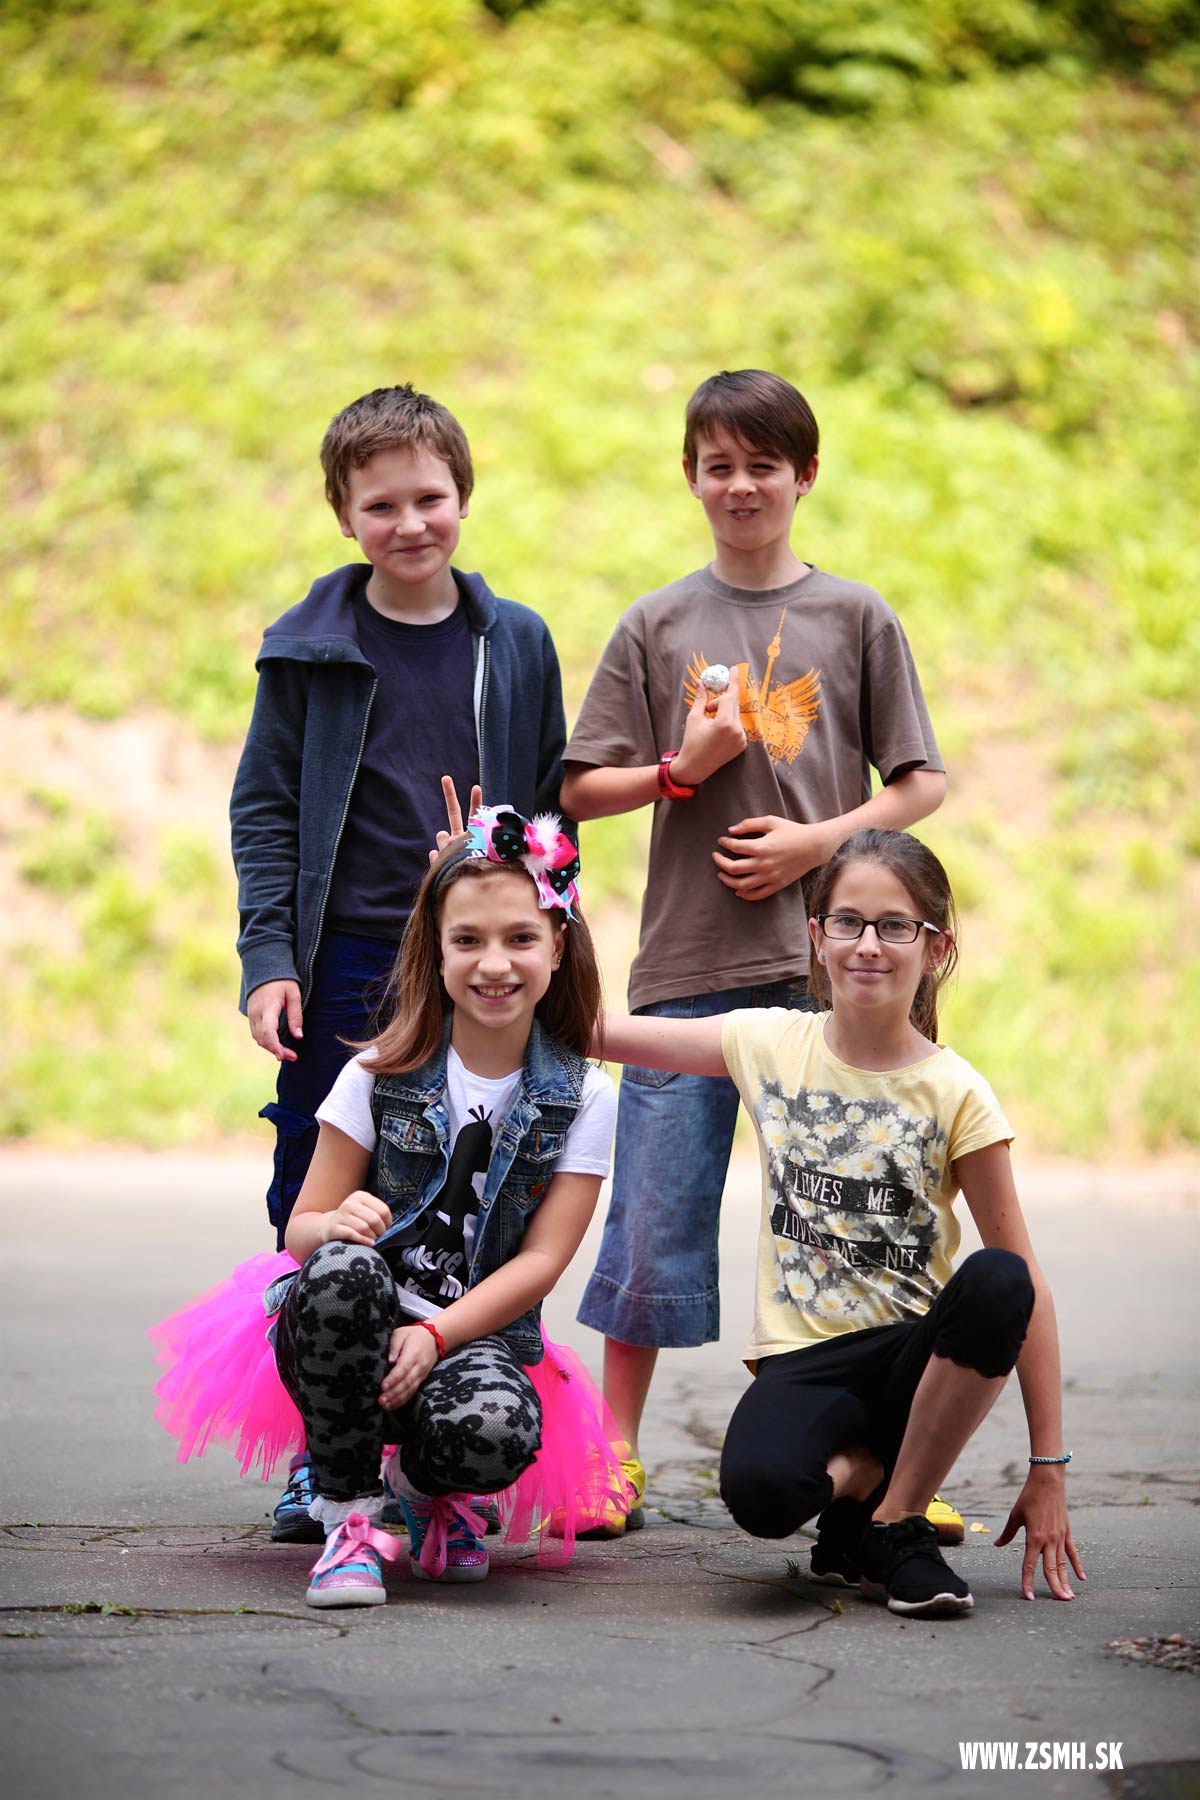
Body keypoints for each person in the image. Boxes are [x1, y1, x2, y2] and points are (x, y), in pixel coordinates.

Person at [560, 369, 948, 1536]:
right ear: (690, 477)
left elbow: (919, 782)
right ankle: (614, 1457)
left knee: (855, 1222)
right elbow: (578, 789)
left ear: (804, 476)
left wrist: (818, 848)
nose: (741, 486)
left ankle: (883, 1463)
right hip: (685, 965)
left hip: (836, 978)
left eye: (763, 465)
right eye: (719, 466)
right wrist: (680, 768)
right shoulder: (656, 623)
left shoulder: (856, 617)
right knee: (650, 1213)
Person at [229, 383, 570, 1542]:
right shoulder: (308, 650)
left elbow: (552, 811)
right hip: (347, 957)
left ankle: (441, 1435)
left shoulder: (514, 642)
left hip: (475, 957)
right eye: (381, 506)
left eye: (430, 498)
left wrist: (493, 880)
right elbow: (266, 810)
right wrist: (269, 957)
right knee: (319, 1191)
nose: (410, 523)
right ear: (345, 516)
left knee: (470, 1187)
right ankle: (324, 1452)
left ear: (463, 495)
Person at [596, 828, 1084, 1615]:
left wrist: (1048, 1468)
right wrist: (499, 885)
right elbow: (596, 1031)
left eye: (896, 925)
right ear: (816, 937)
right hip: (806, 1361)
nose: (869, 945)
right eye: (848, 922)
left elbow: (1031, 1288)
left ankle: (894, 1524)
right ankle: (863, 1491)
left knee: (1001, 1279)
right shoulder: (768, 1042)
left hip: (915, 1362)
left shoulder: (957, 1091)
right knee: (760, 1493)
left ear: (936, 947)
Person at [150, 809, 620, 1606]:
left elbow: (543, 1261)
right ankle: (350, 1518)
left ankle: (427, 1489)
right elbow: (302, 1226)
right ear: (435, 951)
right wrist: (332, 1228)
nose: (494, 963)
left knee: (500, 1431)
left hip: (467, 1333)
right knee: (342, 1270)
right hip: (351, 1331)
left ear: (557, 946)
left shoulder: (585, 1096)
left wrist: (435, 1336)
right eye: (467, 940)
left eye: (520, 938)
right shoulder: (378, 1072)